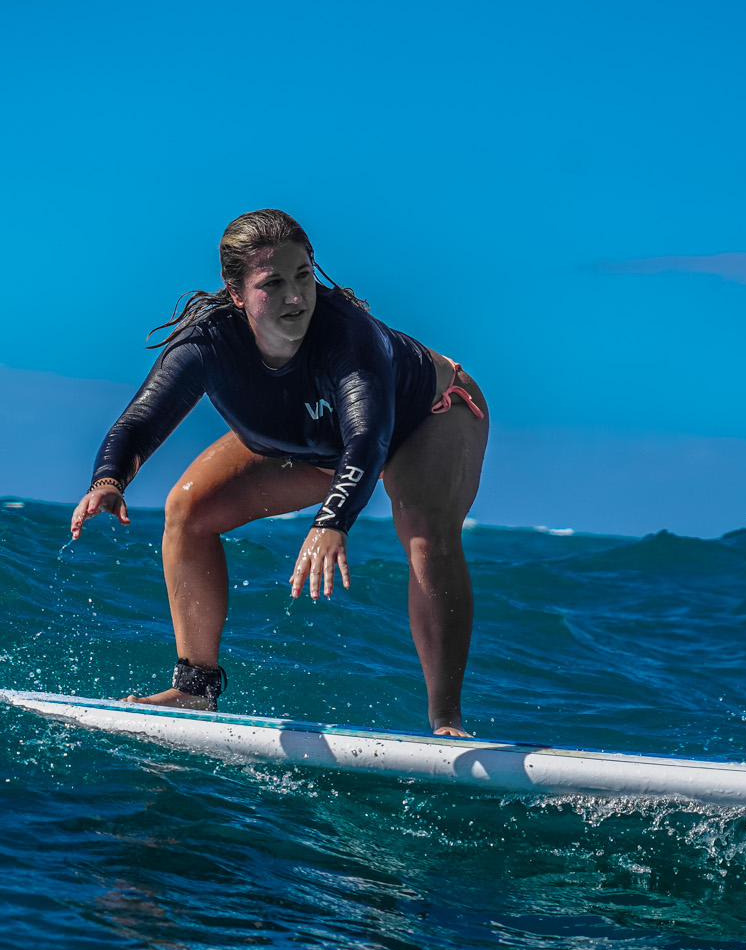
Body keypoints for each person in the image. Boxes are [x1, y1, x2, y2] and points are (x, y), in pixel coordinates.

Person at [70, 209, 489, 736]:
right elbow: (139, 421)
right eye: (273, 283)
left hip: (424, 418)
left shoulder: (348, 336)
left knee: (425, 530)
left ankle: (445, 720)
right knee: (189, 508)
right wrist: (108, 481)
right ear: (237, 293)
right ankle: (195, 689)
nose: (296, 297)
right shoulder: (209, 343)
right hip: (318, 447)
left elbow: (368, 439)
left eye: (303, 276)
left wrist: (330, 522)